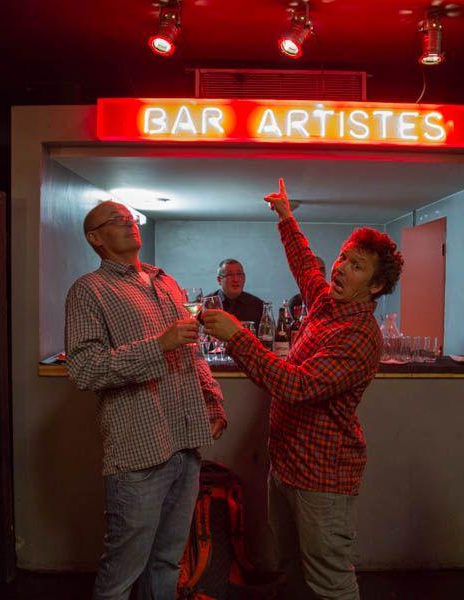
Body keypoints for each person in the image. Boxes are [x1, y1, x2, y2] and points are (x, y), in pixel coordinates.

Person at [203, 179, 403, 600]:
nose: (342, 267)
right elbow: (305, 266)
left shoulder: (360, 335)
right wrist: (286, 217)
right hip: (288, 465)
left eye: (357, 266)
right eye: (345, 258)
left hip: (324, 477)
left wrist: (237, 337)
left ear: (377, 287)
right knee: (291, 567)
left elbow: (297, 385)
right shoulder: (328, 302)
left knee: (330, 579)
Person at [64, 200, 227, 600]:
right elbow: (84, 369)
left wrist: (213, 399)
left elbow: (192, 350)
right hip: (138, 451)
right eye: (116, 220)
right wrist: (159, 345)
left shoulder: (164, 281)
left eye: (130, 217)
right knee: (122, 573)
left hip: (186, 443)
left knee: (168, 563)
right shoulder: (89, 290)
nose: (129, 223)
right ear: (95, 238)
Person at [208, 258, 265, 324]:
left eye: (239, 274)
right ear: (219, 280)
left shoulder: (258, 305)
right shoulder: (206, 304)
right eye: (230, 275)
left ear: (244, 278)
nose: (236, 279)